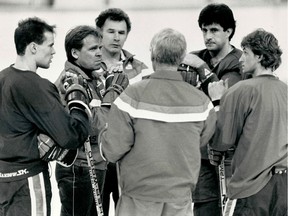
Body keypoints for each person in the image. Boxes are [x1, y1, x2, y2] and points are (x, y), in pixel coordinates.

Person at [98, 27, 217, 216]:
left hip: (138, 199)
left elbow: (112, 150)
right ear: (181, 58)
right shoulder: (202, 103)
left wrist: (103, 133)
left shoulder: (131, 96)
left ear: (153, 55)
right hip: (180, 201)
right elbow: (201, 140)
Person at [0, 17, 91, 216]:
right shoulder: (37, 86)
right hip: (28, 181)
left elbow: (18, 118)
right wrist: (78, 99)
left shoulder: (4, 78)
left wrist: (53, 94)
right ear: (33, 47)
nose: (54, 51)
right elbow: (71, 136)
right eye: (49, 45)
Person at [208, 29, 287, 215]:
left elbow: (221, 141)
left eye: (245, 52)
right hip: (284, 187)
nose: (240, 59)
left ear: (259, 56)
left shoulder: (240, 91)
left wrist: (218, 102)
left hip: (251, 187)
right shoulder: (286, 91)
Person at [182, 4, 244, 215]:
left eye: (214, 30)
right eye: (204, 30)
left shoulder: (239, 62)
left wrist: (201, 68)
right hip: (200, 150)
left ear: (229, 32)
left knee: (229, 208)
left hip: (228, 152)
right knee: (203, 207)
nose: (208, 36)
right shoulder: (196, 56)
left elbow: (225, 97)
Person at [94, 8, 148, 216]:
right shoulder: (85, 64)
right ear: (99, 32)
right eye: (111, 32)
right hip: (96, 156)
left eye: (121, 33)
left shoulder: (139, 68)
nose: (116, 38)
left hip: (128, 158)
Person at [54, 25, 107, 216]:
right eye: (93, 49)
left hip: (94, 163)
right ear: (74, 53)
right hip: (80, 168)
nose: (100, 53)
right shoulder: (72, 80)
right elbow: (89, 128)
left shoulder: (91, 77)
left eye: (100, 48)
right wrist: (111, 96)